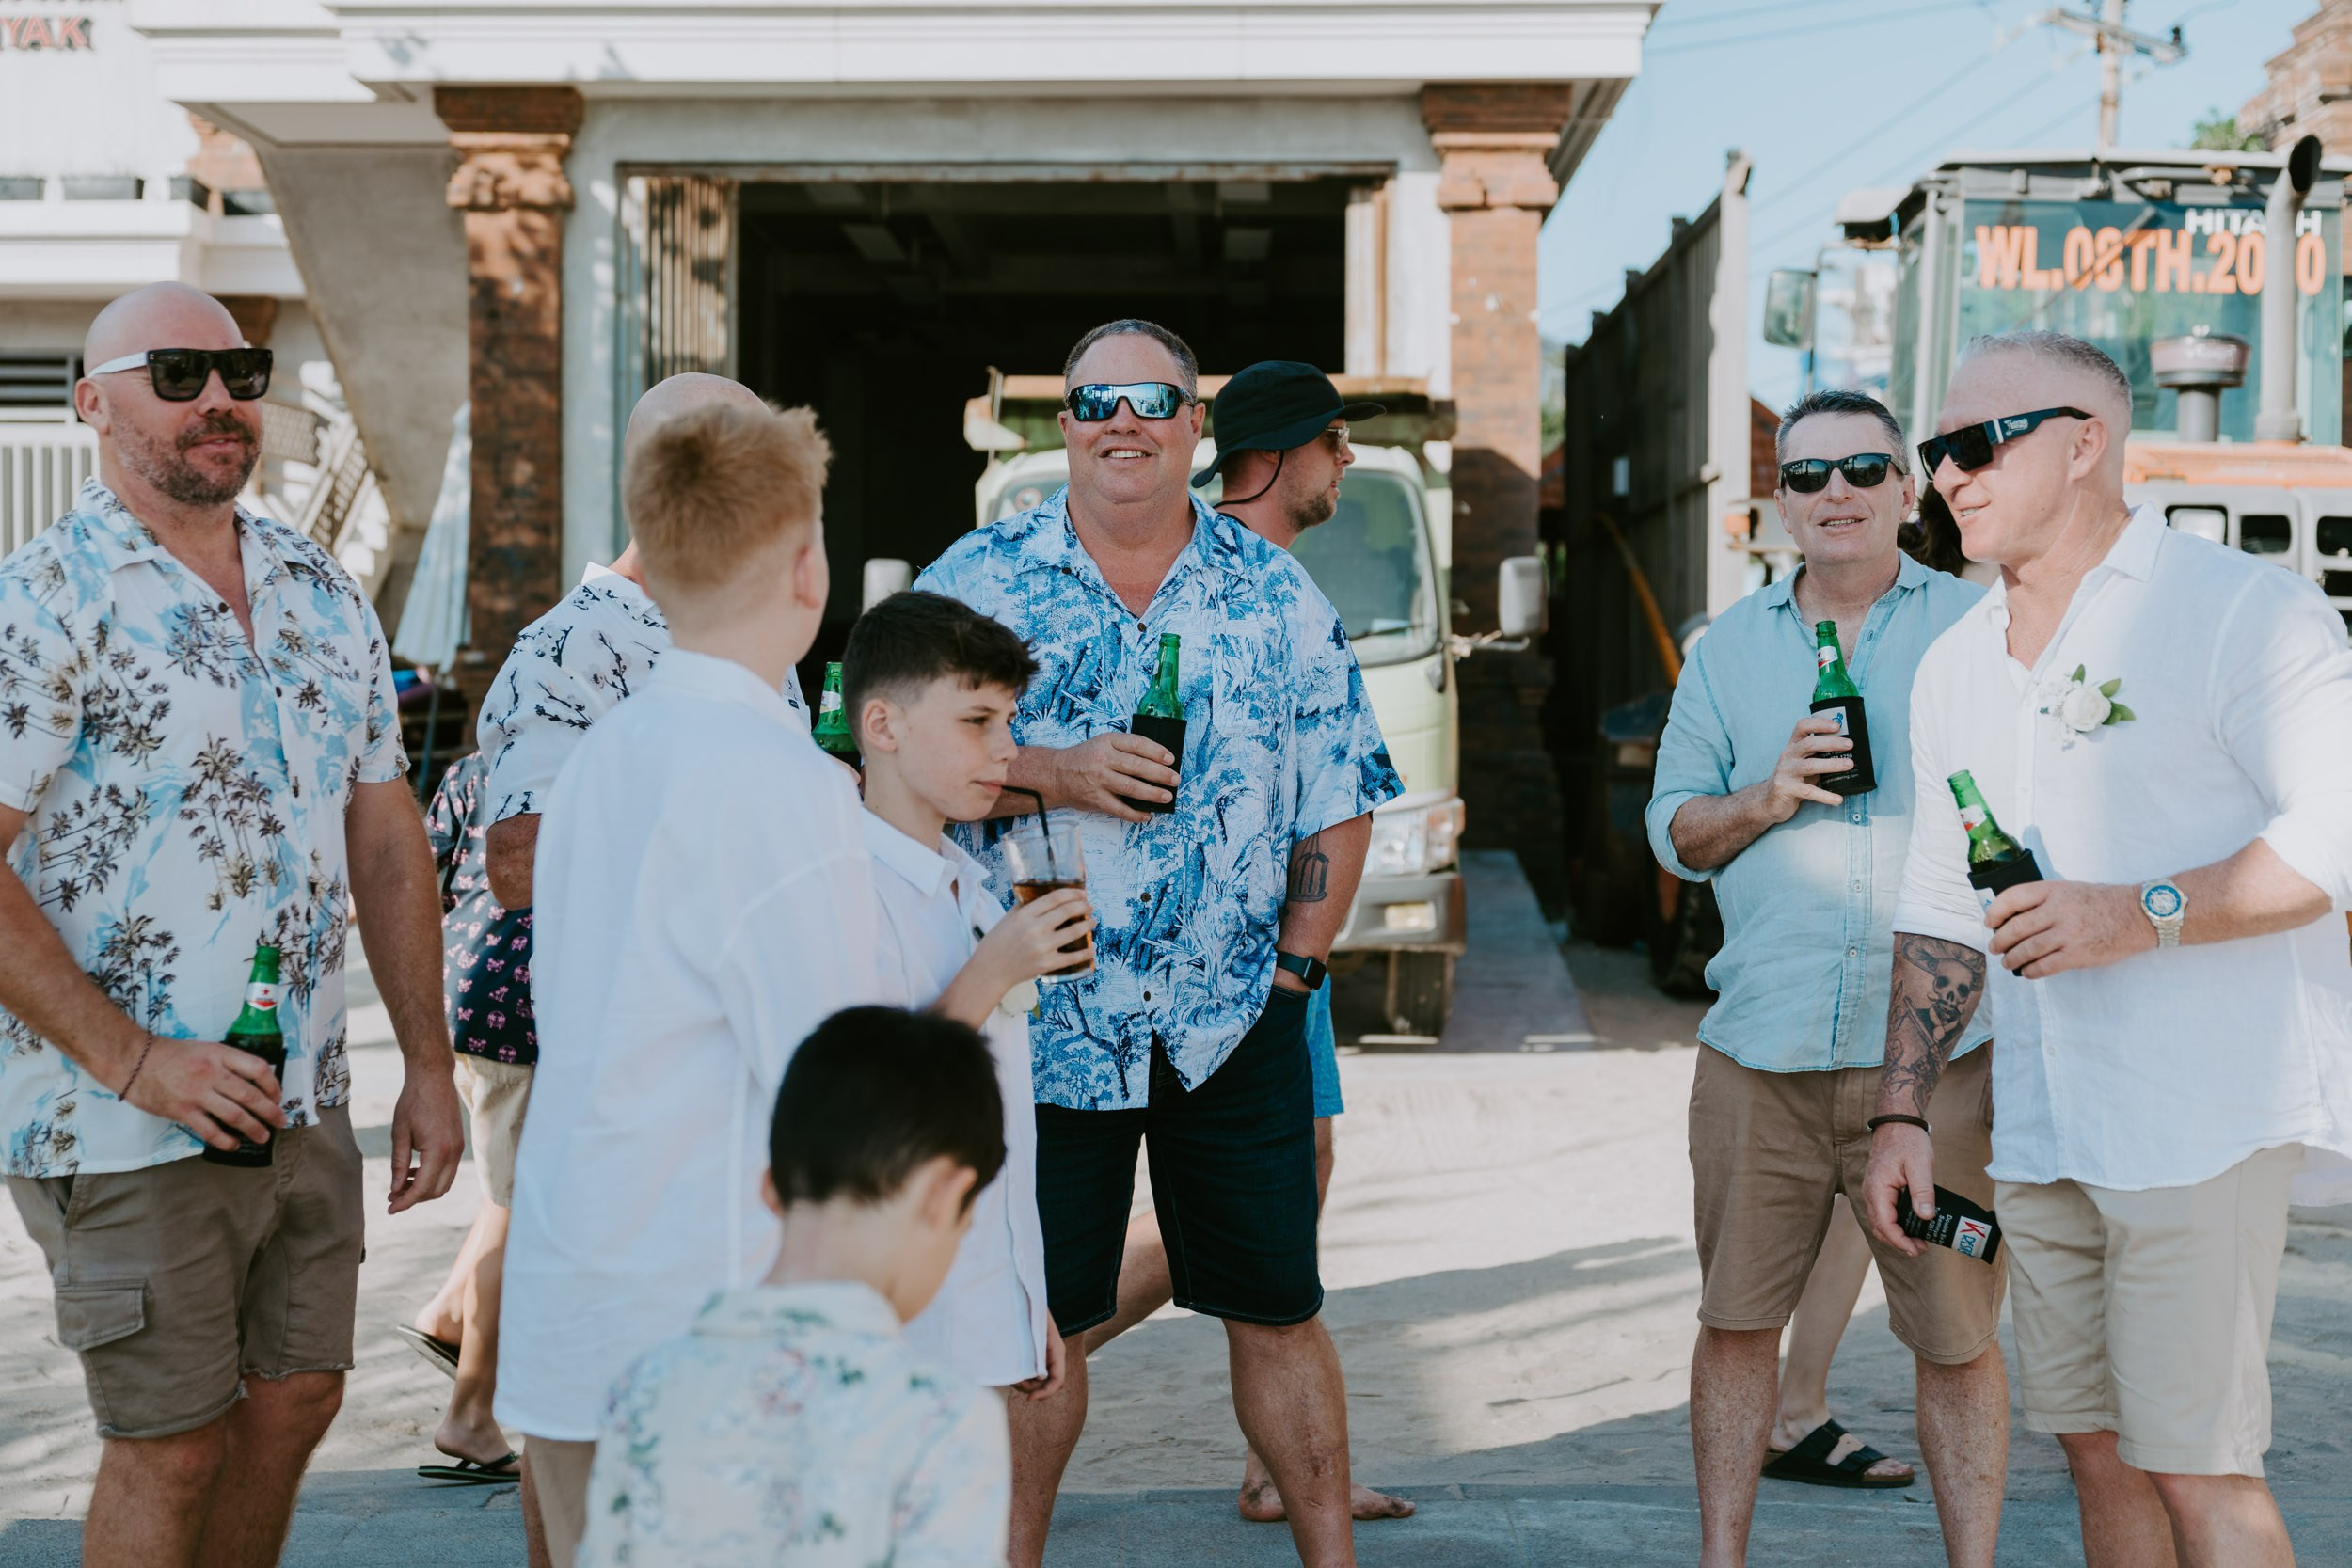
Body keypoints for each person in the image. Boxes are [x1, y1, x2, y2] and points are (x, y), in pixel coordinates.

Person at [917, 319, 1402, 1568]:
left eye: (1150, 399)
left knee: (1279, 1310)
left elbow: (1343, 790)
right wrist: (1055, 769)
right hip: (1039, 1024)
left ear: (1195, 424)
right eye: (1096, 401)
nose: (1122, 420)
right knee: (1036, 1327)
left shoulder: (1272, 591)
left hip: (1231, 1017)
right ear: (1065, 425)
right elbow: (898, 757)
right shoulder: (978, 578)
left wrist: (1296, 968)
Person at [1864, 330, 2352, 1568]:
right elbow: (1939, 903)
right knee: (2094, 1449)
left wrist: (2135, 912)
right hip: (2045, 1122)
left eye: (1977, 443)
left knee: (2198, 1462)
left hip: (2202, 1117)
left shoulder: (2238, 610)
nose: (1947, 473)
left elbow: (2334, 838)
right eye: (1935, 449)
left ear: (2084, 444)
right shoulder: (1955, 664)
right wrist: (1901, 1110)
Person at [0, 281, 464, 1568]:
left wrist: (427, 1063)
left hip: (298, 1088)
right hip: (117, 1107)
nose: (218, 399)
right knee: (173, 1439)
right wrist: (139, 1061)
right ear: (92, 405)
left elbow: (385, 829)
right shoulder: (45, 597)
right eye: (177, 373)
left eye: (241, 372)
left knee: (297, 1396)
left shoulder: (318, 585)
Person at [496, 397, 876, 1568]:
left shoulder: (603, 752)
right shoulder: (787, 782)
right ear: (807, 566)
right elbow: (831, 1095)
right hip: (709, 1325)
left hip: (576, 1294)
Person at [1647, 388, 2008, 1568]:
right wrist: (1766, 793)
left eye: (1861, 469)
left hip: (1942, 1062)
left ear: (1908, 490)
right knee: (1735, 1324)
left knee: (1955, 1336)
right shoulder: (1727, 651)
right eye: (1807, 475)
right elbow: (1673, 831)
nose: (1835, 492)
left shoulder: (1985, 628)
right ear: (1779, 505)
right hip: (1763, 1049)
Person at [1078, 358, 1412, 1525]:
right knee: (1260, 1201)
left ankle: (1276, 1461)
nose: (1346, 458)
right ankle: (1044, 1346)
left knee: (1293, 1185)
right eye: (1332, 438)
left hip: (1276, 957)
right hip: (1228, 967)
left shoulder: (1285, 591)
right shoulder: (1217, 582)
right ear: (1272, 452)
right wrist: (1287, 971)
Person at [466, 368, 781, 1562]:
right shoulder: (573, 642)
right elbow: (519, 862)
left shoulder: (738, 630)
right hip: (602, 1066)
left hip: (712, 1073)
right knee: (585, 1396)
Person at [577, 1006, 1014, 1568]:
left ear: (771, 1187)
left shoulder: (644, 1390)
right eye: (964, 1225)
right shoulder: (941, 1418)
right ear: (943, 1196)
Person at [843, 588, 1090, 1398]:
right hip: (895, 1324)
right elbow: (869, 1106)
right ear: (883, 726)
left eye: (1010, 721)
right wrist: (993, 974)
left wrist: (1023, 1295)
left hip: (978, 1301)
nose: (1008, 750)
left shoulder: (975, 889)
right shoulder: (846, 891)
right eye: (977, 720)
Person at [401, 749, 535, 1485]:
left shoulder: (474, 768)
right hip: (526, 1011)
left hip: (465, 991)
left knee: (507, 1188)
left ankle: (451, 1313)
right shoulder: (587, 760)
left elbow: (422, 868)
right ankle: (471, 1412)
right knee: (520, 1203)